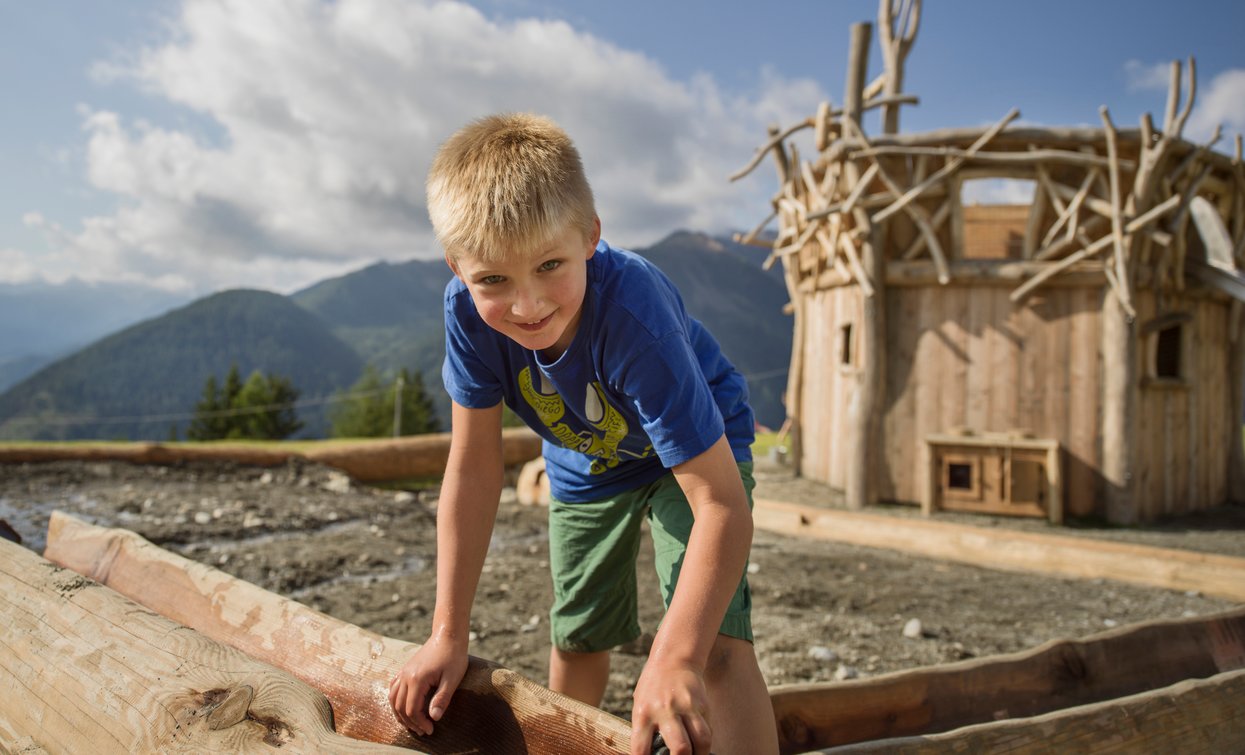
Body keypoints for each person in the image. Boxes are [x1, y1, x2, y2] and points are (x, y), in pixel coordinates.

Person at [388, 112, 779, 755]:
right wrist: (447, 635)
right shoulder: (465, 316)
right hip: (585, 461)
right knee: (578, 637)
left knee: (716, 649)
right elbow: (474, 469)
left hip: (697, 452)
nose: (527, 304)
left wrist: (674, 656)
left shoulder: (633, 315)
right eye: (493, 280)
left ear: (591, 235)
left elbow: (721, 503)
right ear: (457, 266)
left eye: (549, 265)